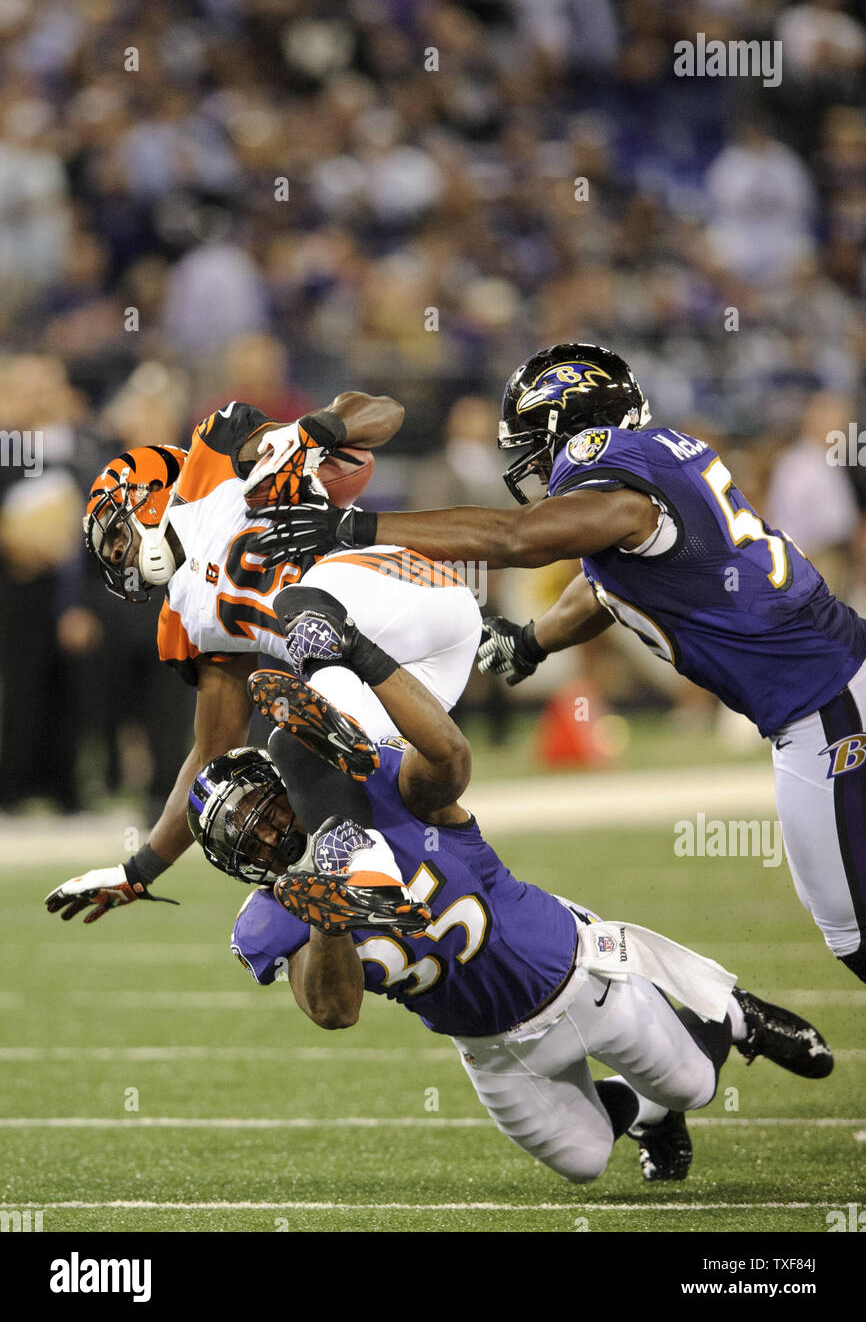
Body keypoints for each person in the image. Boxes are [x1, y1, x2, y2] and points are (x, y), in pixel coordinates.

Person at [251, 343, 866, 985]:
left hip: (824, 700)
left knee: (849, 925)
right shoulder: (660, 463)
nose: (531, 465)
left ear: (566, 425)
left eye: (531, 443)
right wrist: (531, 641)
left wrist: (356, 529)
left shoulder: (600, 463)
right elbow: (607, 586)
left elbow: (521, 539)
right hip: (829, 684)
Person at [183, 600, 832, 1187]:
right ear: (238, 867)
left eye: (264, 811)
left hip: (573, 972)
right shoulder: (277, 917)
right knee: (585, 1162)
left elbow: (449, 764)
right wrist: (329, 917)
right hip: (490, 1047)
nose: (269, 834)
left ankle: (735, 1016)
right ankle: (643, 1113)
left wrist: (359, 654)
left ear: (283, 785)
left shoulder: (373, 785)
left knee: (693, 1083)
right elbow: (335, 1012)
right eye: (248, 840)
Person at [44, 392, 480, 924]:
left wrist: (309, 432)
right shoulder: (183, 618)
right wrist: (138, 870)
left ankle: (341, 734)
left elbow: (386, 412)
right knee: (288, 745)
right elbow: (213, 753)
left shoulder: (217, 460)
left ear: (151, 495)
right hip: (415, 679)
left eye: (117, 536)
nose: (120, 557)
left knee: (304, 625)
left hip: (401, 595)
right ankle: (371, 877)